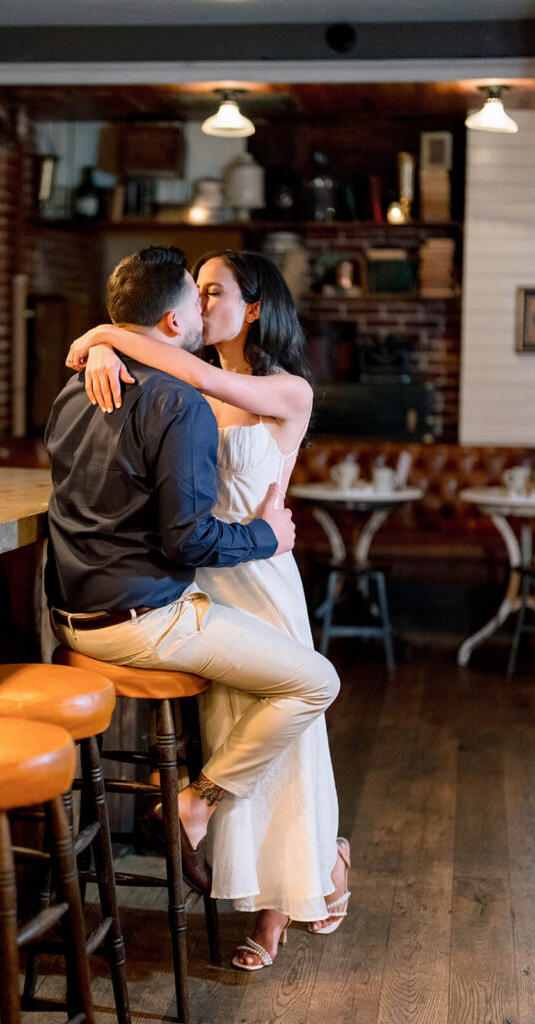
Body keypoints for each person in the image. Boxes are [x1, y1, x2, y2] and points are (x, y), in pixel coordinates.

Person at [46, 245, 341, 968]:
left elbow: (181, 363)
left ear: (255, 308)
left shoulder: (287, 391)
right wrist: (102, 350)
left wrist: (105, 338)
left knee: (290, 740)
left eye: (215, 292)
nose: (203, 306)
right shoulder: (183, 390)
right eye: (197, 294)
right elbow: (165, 368)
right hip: (197, 583)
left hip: (261, 578)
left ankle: (284, 903)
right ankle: (270, 867)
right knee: (235, 732)